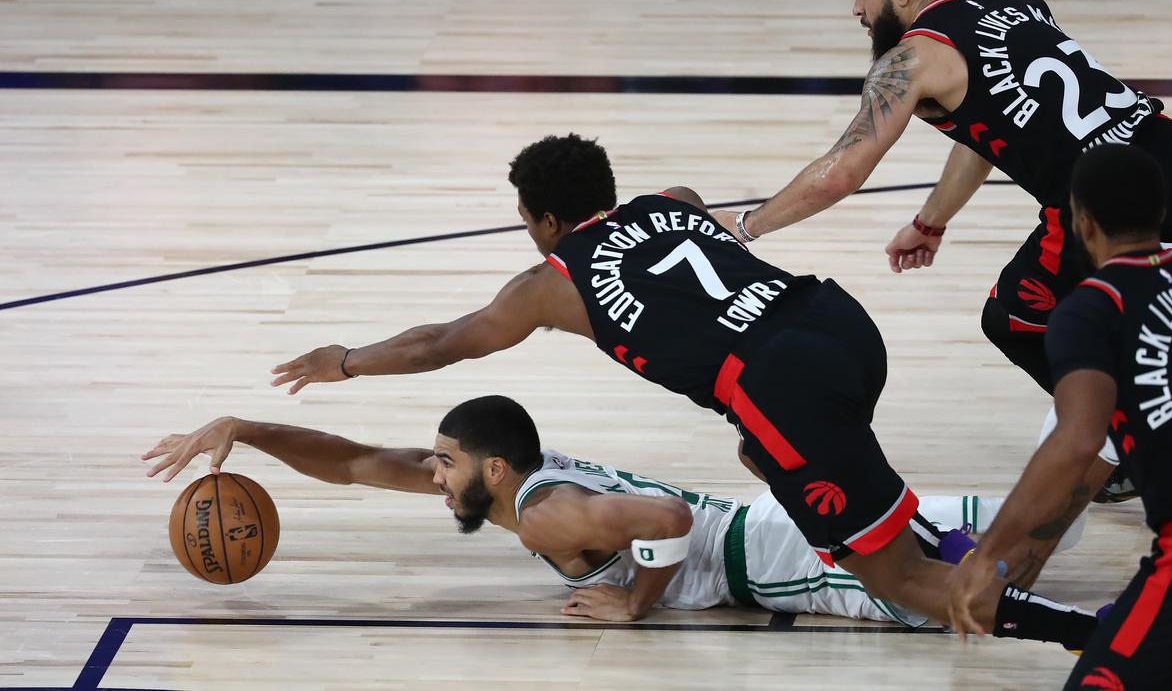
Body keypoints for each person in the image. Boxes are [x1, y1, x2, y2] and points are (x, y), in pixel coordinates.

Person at [267, 133, 1096, 646]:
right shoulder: (675, 199)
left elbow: (441, 345)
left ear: (548, 224)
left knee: (902, 586)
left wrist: (344, 359)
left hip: (778, 383)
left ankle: (1083, 632)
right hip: (837, 322)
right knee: (771, 456)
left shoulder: (550, 283)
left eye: (528, 222)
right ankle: (960, 516)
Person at [707, 0, 1172, 577]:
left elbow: (842, 171)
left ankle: (1129, 439)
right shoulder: (1015, 4)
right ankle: (1134, 430)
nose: (857, 9)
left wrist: (743, 225)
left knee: (1014, 319)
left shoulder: (909, 60)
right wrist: (933, 217)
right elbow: (991, 123)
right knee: (1144, 311)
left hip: (1094, 201)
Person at [143, 394, 1072, 627]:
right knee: (1023, 514)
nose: (433, 476)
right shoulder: (508, 485)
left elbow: (665, 520)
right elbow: (349, 462)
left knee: (986, 595)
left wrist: (636, 607)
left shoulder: (546, 516)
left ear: (496, 471)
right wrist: (245, 426)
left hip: (776, 560)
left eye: (448, 464)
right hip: (767, 521)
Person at [945, 146, 1172, 688]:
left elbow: (1077, 445)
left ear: (1082, 222)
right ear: (1162, 212)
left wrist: (988, 559)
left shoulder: (1094, 309)